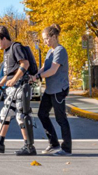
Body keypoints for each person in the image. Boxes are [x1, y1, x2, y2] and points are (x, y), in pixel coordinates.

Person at [0, 25, 37, 156]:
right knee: (4, 114)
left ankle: (29, 146)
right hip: (12, 89)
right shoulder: (6, 52)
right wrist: (1, 83)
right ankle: (0, 143)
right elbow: (9, 72)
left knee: (21, 116)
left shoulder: (16, 47)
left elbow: (25, 64)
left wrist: (14, 80)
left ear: (3, 38)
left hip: (21, 87)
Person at [35, 24, 72, 156]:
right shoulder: (50, 51)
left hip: (58, 89)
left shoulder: (60, 51)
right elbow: (45, 67)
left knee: (61, 118)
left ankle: (67, 148)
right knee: (42, 114)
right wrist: (35, 76)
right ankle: (54, 144)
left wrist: (39, 76)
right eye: (44, 39)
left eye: (46, 38)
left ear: (54, 37)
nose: (45, 41)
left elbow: (52, 70)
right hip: (50, 89)